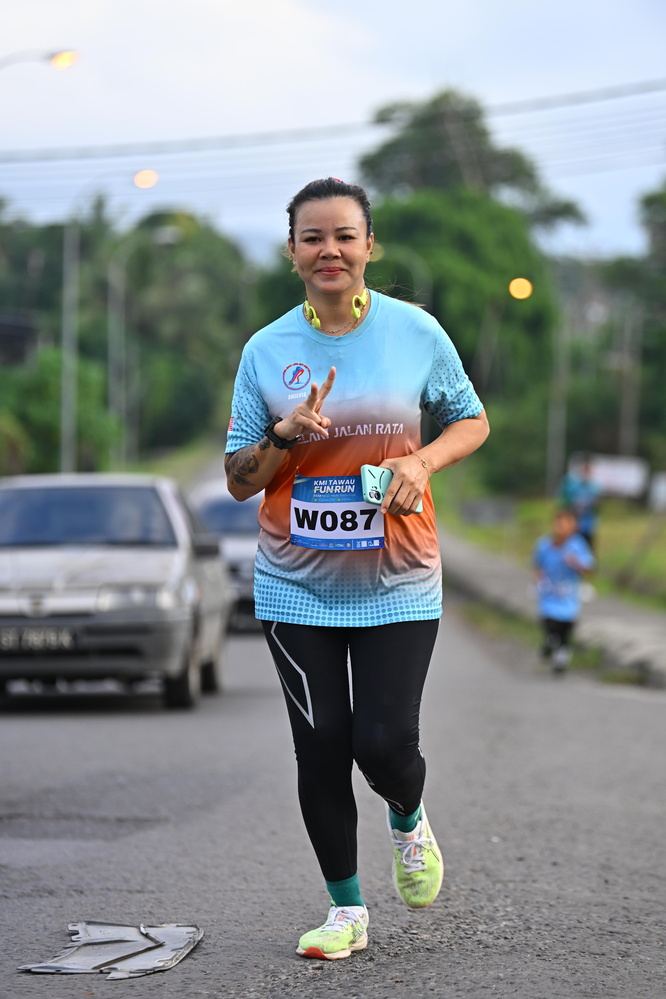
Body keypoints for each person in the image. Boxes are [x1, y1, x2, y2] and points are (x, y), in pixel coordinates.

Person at [224, 177, 489, 960]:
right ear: (292, 251)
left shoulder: (416, 332)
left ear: (369, 245)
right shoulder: (266, 350)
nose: (329, 250)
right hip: (294, 585)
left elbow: (471, 420)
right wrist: (284, 434)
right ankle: (346, 910)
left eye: (344, 235)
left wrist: (422, 460)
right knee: (320, 747)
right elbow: (239, 479)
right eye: (313, 237)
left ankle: (407, 815)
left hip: (399, 576)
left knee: (383, 742)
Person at [533, 509, 595, 674]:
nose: (562, 527)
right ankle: (550, 642)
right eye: (559, 523)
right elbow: (537, 565)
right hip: (549, 593)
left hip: (568, 596)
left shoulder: (577, 546)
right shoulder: (544, 545)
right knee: (550, 624)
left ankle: (560, 659)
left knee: (565, 628)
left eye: (566, 524)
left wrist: (575, 563)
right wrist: (538, 580)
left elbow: (588, 569)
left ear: (573, 526)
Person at [559, 458, 601, 551]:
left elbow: (597, 506)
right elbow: (566, 503)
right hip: (575, 523)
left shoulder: (594, 488)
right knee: (573, 546)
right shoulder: (574, 487)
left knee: (588, 548)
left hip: (588, 524)